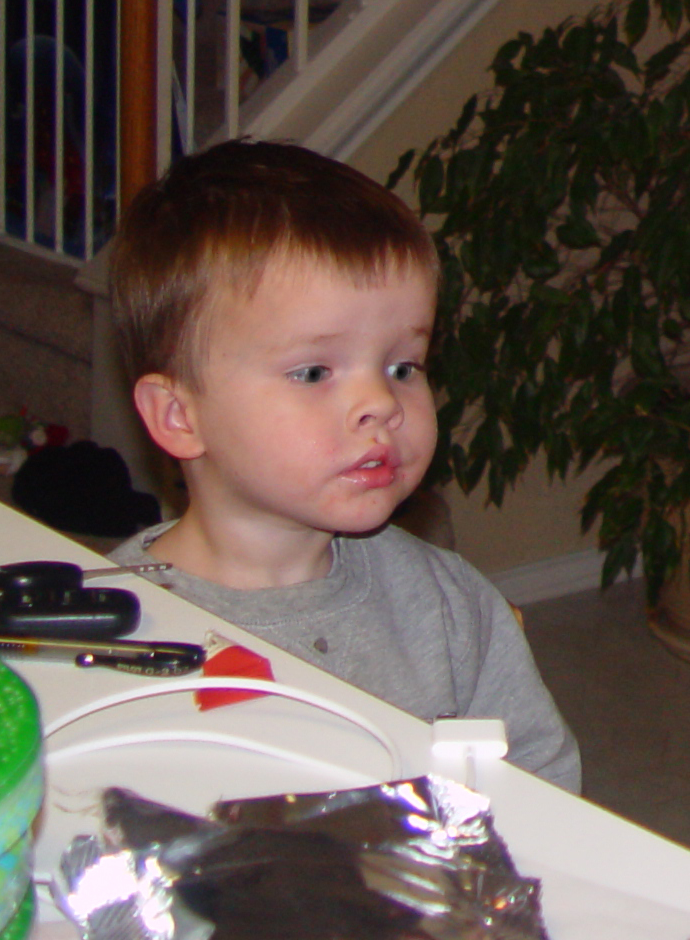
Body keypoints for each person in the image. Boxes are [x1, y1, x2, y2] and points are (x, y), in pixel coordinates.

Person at [108, 139, 582, 792]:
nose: (381, 403)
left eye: (402, 367)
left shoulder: (448, 605)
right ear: (179, 416)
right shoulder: (116, 632)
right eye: (313, 371)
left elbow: (542, 783)